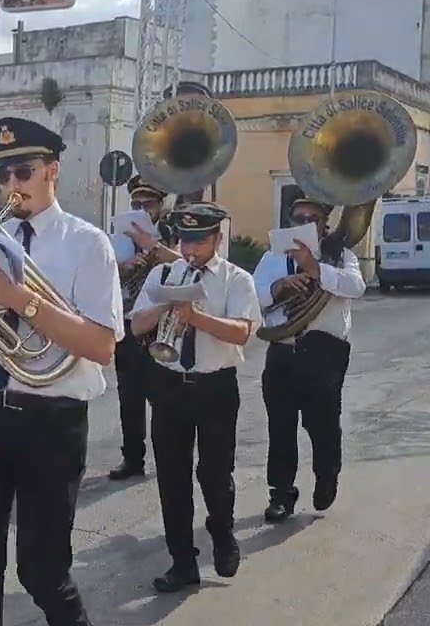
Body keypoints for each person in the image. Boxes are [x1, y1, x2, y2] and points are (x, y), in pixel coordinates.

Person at [0, 117, 124, 626]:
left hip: (51, 421)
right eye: (3, 175)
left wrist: (19, 298)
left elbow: (102, 346)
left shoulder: (88, 244)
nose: (12, 185)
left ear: (52, 172)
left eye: (24, 171)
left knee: (42, 571)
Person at [129, 202, 260, 593]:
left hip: (216, 386)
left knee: (215, 473)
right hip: (169, 384)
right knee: (172, 478)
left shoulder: (236, 280)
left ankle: (222, 532)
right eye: (185, 240)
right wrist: (166, 304)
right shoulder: (164, 273)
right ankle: (182, 561)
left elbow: (242, 332)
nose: (190, 249)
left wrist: (196, 317)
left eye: (199, 241)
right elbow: (135, 325)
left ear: (217, 239)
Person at [252, 192, 364, 521]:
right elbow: (253, 296)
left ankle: (326, 476)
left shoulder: (339, 255)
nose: (303, 225)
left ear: (324, 223)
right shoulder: (272, 258)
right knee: (281, 427)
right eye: (297, 219)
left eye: (311, 219)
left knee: (323, 425)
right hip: (282, 350)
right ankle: (281, 494)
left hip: (324, 352)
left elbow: (356, 287)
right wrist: (277, 288)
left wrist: (317, 269)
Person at [107, 174, 179, 481]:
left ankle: (170, 457)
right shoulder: (116, 239)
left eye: (147, 204)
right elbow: (105, 276)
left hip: (161, 323)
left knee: (164, 396)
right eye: (136, 204)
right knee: (129, 395)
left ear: (160, 206)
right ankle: (132, 458)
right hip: (127, 321)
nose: (141, 209)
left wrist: (154, 249)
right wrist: (125, 268)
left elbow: (183, 268)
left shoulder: (172, 234)